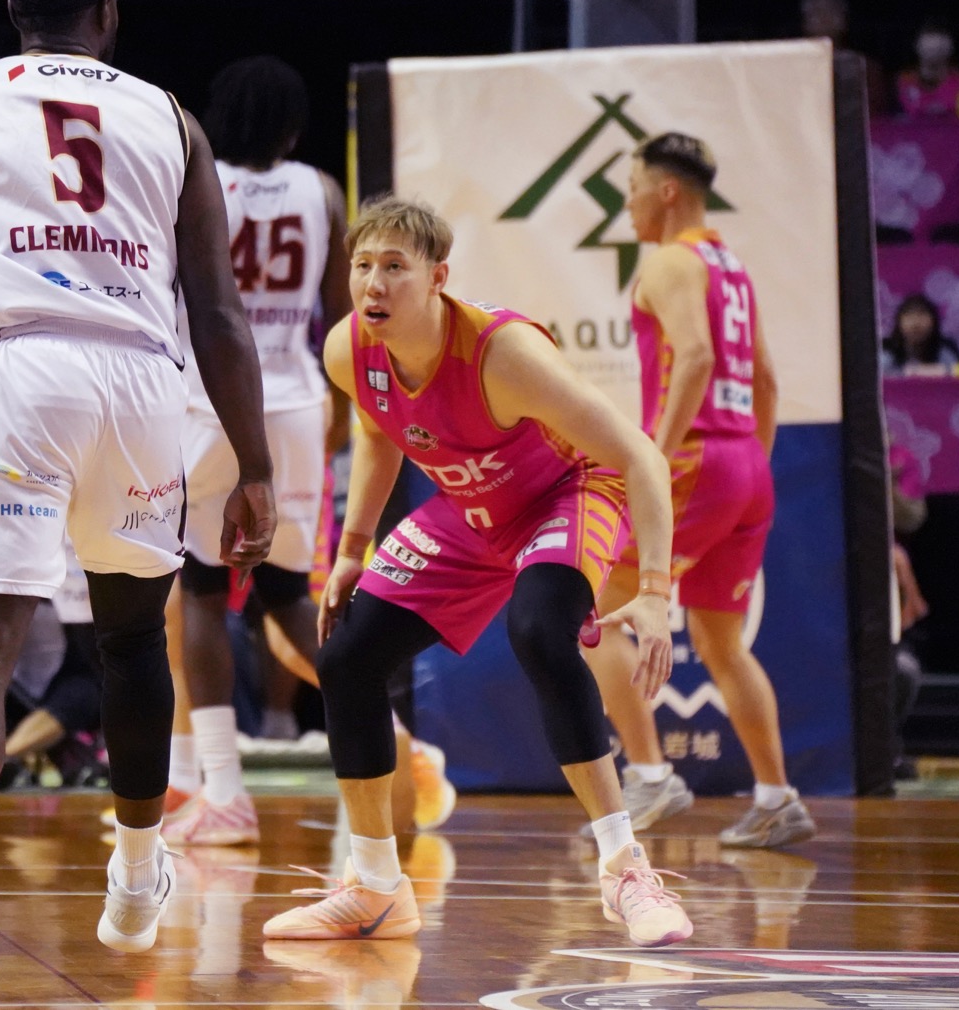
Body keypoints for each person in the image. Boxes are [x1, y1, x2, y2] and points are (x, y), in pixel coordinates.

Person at [0, 0, 274, 996]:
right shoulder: (174, 120)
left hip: (23, 375)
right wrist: (254, 467)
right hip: (144, 385)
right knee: (131, 639)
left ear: (10, 9)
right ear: (108, 13)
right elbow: (218, 313)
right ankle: (137, 870)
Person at [262, 196, 692, 947]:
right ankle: (376, 889)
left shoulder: (504, 355)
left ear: (438, 278)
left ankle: (626, 870)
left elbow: (641, 457)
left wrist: (655, 592)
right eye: (363, 265)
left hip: (567, 491)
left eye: (395, 267)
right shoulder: (348, 349)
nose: (373, 283)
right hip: (471, 506)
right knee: (347, 658)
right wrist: (354, 546)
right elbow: (379, 431)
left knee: (540, 632)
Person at [579, 133, 815, 849]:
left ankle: (650, 776)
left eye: (631, 190)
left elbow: (697, 357)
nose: (627, 205)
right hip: (744, 461)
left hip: (695, 462)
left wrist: (652, 457)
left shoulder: (669, 262)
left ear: (667, 192)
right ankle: (776, 799)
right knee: (720, 643)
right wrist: (750, 468)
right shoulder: (729, 267)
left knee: (590, 612)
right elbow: (765, 378)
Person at [163, 55, 354, 847]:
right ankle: (384, 733)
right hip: (300, 401)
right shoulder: (324, 191)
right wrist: (343, 411)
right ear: (293, 128)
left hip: (213, 401)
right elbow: (341, 317)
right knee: (286, 595)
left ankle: (224, 791)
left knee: (203, 590)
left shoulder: (196, 183)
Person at [800, 0, 890, 117]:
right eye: (817, 12)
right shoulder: (794, 67)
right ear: (805, 23)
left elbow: (876, 113)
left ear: (844, 19)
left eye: (831, 11)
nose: (825, 18)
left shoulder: (866, 67)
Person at [897, 20, 959, 120]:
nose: (933, 54)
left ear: (949, 50)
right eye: (928, 49)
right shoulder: (906, 79)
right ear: (918, 48)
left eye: (938, 49)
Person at [882, 293, 959, 376]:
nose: (915, 323)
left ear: (934, 321)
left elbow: (956, 375)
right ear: (898, 322)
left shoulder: (945, 351)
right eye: (909, 315)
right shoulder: (885, 351)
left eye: (922, 314)